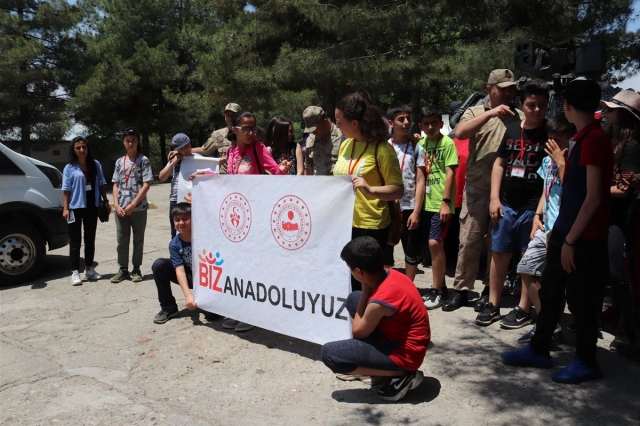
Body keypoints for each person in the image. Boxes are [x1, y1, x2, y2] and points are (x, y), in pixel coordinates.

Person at [501, 78, 614, 384]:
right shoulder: (582, 137)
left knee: (580, 300)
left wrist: (571, 240)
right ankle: (539, 348)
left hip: (582, 238)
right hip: (564, 231)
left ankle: (586, 361)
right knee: (551, 292)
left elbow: (592, 198)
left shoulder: (593, 140)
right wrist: (559, 231)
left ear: (567, 106)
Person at [193, 110, 291, 332]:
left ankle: (251, 314)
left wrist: (282, 170)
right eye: (246, 128)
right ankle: (238, 310)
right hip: (235, 220)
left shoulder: (259, 149)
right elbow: (226, 180)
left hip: (255, 218)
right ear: (234, 130)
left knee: (250, 266)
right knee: (235, 265)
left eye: (253, 128)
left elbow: (276, 174)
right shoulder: (230, 152)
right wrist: (203, 177)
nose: (251, 132)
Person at [443, 69, 525, 312]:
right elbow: (460, 133)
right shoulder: (475, 112)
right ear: (490, 89)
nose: (509, 93)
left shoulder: (520, 115)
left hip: (505, 191)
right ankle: (461, 290)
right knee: (469, 240)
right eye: (503, 88)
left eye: (512, 88)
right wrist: (490, 113)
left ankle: (490, 290)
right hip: (477, 187)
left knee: (496, 244)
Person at [321, 237, 430, 402]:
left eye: (350, 269)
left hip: (406, 357)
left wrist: (365, 289)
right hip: (404, 340)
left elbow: (358, 333)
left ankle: (401, 374)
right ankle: (372, 365)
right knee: (354, 298)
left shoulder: (380, 301)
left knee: (330, 354)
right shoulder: (392, 273)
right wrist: (365, 287)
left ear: (359, 272)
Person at [479, 80, 550, 326]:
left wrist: (540, 213)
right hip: (506, 205)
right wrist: (494, 199)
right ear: (522, 104)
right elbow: (499, 164)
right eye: (531, 104)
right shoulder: (511, 129)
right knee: (499, 254)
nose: (537, 110)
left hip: (533, 209)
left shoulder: (551, 133)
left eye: (542, 105)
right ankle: (493, 304)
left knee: (527, 260)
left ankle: (523, 309)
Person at [332, 93, 404, 291]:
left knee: (367, 285)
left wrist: (370, 189)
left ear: (354, 123)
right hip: (344, 224)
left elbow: (398, 190)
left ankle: (370, 311)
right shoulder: (345, 145)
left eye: (339, 121)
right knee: (348, 282)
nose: (336, 126)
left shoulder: (382, 149)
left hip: (370, 227)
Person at [515, 114, 576, 344]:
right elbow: (545, 190)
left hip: (563, 230)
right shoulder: (547, 160)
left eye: (557, 139)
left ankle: (548, 327)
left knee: (554, 283)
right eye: (549, 138)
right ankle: (549, 325)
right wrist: (537, 215)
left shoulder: (572, 162)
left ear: (570, 139)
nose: (552, 144)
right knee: (526, 268)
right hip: (545, 227)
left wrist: (561, 163)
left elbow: (573, 189)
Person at [602, 90, 640, 355]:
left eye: (611, 109)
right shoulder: (609, 138)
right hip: (605, 212)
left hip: (623, 217)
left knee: (619, 273)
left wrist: (591, 190)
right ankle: (609, 314)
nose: (605, 112)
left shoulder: (632, 145)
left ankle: (627, 329)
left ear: (624, 115)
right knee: (603, 270)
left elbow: (625, 189)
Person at [417, 107, 458, 310]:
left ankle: (437, 291)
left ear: (441, 124)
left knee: (435, 243)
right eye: (426, 123)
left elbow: (451, 173)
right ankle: (441, 288)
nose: (431, 126)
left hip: (440, 203)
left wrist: (446, 202)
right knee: (430, 246)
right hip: (424, 202)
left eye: (434, 122)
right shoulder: (420, 144)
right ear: (421, 126)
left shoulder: (448, 143)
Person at [151, 203, 218, 324]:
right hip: (190, 276)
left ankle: (212, 302)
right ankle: (169, 307)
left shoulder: (205, 237)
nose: (181, 223)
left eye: (185, 219)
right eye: (177, 220)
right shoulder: (174, 244)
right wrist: (188, 295)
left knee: (213, 316)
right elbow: (180, 270)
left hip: (207, 277)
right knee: (159, 265)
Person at [383, 104, 426, 281]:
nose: (406, 122)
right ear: (390, 123)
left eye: (408, 118)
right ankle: (385, 287)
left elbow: (421, 180)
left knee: (411, 251)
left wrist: (417, 211)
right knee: (385, 252)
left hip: (409, 207)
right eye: (401, 119)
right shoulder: (383, 147)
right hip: (387, 207)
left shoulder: (417, 148)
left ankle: (409, 287)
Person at [62, 137, 111, 285]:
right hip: (75, 207)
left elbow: (101, 183)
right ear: (73, 150)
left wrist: (105, 201)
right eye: (78, 148)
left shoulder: (95, 165)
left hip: (91, 207)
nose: (82, 150)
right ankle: (74, 272)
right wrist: (65, 208)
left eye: (84, 147)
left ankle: (89, 269)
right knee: (75, 241)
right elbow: (66, 190)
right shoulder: (69, 168)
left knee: (90, 240)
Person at [111, 127, 154, 283]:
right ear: (124, 142)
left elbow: (147, 184)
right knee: (122, 240)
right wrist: (116, 205)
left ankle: (136, 269)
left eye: (133, 141)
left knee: (138, 240)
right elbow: (115, 184)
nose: (130, 143)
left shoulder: (143, 161)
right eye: (127, 140)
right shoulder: (119, 162)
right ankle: (123, 269)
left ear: (138, 142)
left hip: (138, 208)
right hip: (121, 209)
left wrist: (134, 204)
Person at [158, 133, 200, 237]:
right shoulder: (174, 159)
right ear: (177, 149)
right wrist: (173, 163)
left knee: (195, 230)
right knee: (176, 231)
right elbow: (162, 177)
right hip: (176, 199)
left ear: (190, 143)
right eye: (181, 148)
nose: (185, 150)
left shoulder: (198, 158)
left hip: (194, 198)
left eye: (187, 146)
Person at [193, 102, 241, 173]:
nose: (230, 117)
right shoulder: (218, 134)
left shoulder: (247, 133)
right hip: (224, 176)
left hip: (243, 176)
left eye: (233, 115)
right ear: (225, 117)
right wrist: (183, 151)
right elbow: (204, 150)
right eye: (227, 115)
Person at [302, 106, 343, 175]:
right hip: (318, 181)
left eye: (315, 129)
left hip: (338, 180)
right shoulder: (310, 140)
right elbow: (308, 166)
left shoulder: (342, 136)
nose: (313, 132)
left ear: (325, 121)